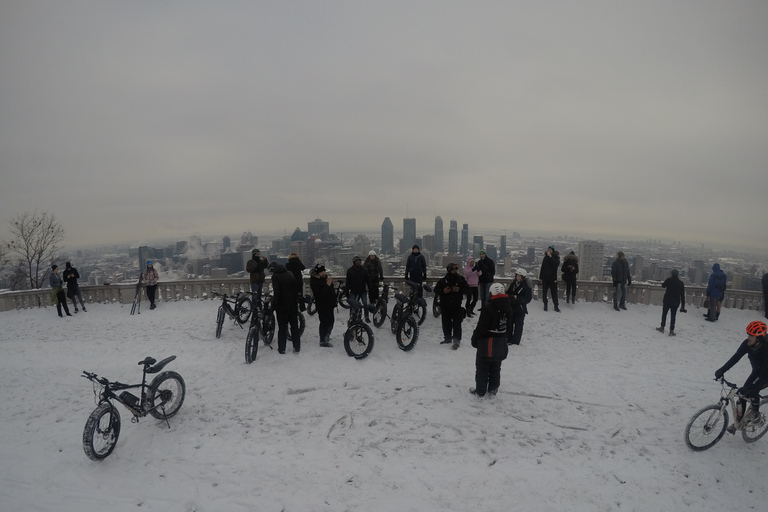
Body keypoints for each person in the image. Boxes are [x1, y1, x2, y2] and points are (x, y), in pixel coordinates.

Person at [714, 321, 768, 431]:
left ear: (759, 338)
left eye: (751, 335)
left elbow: (764, 373)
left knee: (752, 391)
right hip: (757, 371)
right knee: (742, 394)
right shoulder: (747, 344)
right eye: (748, 334)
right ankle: (739, 422)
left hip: (766, 374)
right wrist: (721, 370)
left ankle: (756, 415)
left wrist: (752, 387)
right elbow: (736, 357)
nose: (748, 337)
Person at [470, 283, 511, 398]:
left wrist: (475, 338)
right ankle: (493, 388)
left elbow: (481, 326)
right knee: (496, 367)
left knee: (482, 368)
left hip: (487, 342)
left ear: (491, 293)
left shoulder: (488, 308)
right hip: (501, 341)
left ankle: (480, 391)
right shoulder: (508, 307)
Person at [269, 261, 301, 354]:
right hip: (292, 304)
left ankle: (282, 348)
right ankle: (297, 347)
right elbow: (296, 287)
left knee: (282, 328)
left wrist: (274, 305)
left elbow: (277, 292)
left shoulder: (275, 277)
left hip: (282, 306)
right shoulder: (290, 273)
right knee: (294, 326)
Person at [435, 263, 469, 349]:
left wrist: (459, 289)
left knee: (457, 323)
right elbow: (436, 290)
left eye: (456, 269)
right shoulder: (443, 281)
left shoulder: (461, 280)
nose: (455, 271)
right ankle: (447, 337)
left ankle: (456, 339)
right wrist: (443, 291)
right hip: (445, 305)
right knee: (446, 322)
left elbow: (468, 290)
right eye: (453, 269)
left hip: (456, 305)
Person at [309, 263, 336, 347]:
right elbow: (319, 295)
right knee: (324, 322)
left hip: (329, 304)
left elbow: (330, 291)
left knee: (331, 320)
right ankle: (322, 340)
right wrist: (327, 285)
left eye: (324, 271)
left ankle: (327, 335)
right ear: (317, 273)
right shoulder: (314, 281)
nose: (323, 273)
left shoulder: (325, 278)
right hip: (322, 305)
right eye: (321, 272)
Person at [656, 269, 686, 336]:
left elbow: (663, 285)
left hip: (667, 300)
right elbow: (682, 295)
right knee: (673, 316)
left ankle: (662, 327)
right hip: (675, 302)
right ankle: (671, 330)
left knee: (664, 314)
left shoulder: (669, 280)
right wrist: (683, 306)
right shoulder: (681, 283)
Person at [506, 268, 532, 346]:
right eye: (517, 276)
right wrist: (511, 297)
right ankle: (508, 338)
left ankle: (515, 341)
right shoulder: (513, 284)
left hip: (520, 309)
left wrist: (518, 298)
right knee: (509, 324)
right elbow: (507, 293)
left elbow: (528, 298)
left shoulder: (526, 286)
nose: (518, 278)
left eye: (520, 276)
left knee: (518, 326)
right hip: (512, 308)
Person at [344, 255, 372, 322]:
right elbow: (348, 282)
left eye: (359, 261)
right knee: (352, 304)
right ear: (354, 262)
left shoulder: (364, 270)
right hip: (354, 290)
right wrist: (346, 291)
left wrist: (370, 288)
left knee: (365, 304)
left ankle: (366, 317)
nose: (358, 262)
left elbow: (368, 280)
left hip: (362, 290)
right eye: (357, 261)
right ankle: (351, 316)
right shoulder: (350, 271)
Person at [539, 245, 560, 312]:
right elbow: (542, 268)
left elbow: (556, 264)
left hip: (553, 279)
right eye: (549, 249)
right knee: (544, 293)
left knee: (554, 293)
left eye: (551, 250)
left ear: (553, 251)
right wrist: (541, 277)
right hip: (545, 278)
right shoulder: (545, 258)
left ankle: (556, 306)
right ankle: (545, 305)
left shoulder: (556, 258)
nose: (549, 251)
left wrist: (551, 257)